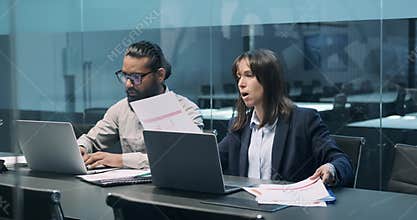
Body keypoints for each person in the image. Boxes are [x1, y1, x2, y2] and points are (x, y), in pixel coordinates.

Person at [219, 49, 353, 186]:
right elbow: (213, 161)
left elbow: (341, 161)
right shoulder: (239, 125)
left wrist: (331, 168)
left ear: (268, 80)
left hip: (288, 205)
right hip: (245, 204)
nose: (241, 83)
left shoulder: (304, 121)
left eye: (248, 75)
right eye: (239, 76)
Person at [77, 41, 204, 169]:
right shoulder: (121, 108)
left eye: (136, 77)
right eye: (125, 76)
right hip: (128, 187)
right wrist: (81, 147)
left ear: (160, 75)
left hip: (171, 186)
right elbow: (90, 139)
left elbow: (186, 158)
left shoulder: (187, 110)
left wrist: (122, 160)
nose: (128, 84)